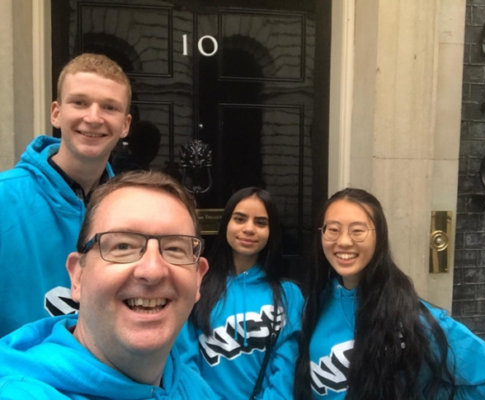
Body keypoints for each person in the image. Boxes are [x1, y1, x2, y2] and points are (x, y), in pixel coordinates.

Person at [0, 171, 218, 399]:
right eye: (123, 246)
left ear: (197, 279)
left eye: (175, 249)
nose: (152, 270)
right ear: (77, 277)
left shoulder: (191, 387)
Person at [294, 188, 485, 399]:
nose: (343, 241)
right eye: (333, 229)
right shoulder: (315, 305)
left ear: (379, 237)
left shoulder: (410, 318)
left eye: (357, 231)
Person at [0, 53, 132, 336]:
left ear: (125, 124)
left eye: (109, 107)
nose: (93, 118)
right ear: (56, 113)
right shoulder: (4, 199)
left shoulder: (132, 209)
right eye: (80, 102)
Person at [176, 187, 304, 399]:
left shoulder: (289, 295)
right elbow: (185, 362)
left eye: (261, 223)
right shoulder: (196, 286)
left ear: (271, 231)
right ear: (226, 224)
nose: (249, 229)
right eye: (240, 219)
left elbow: (286, 371)